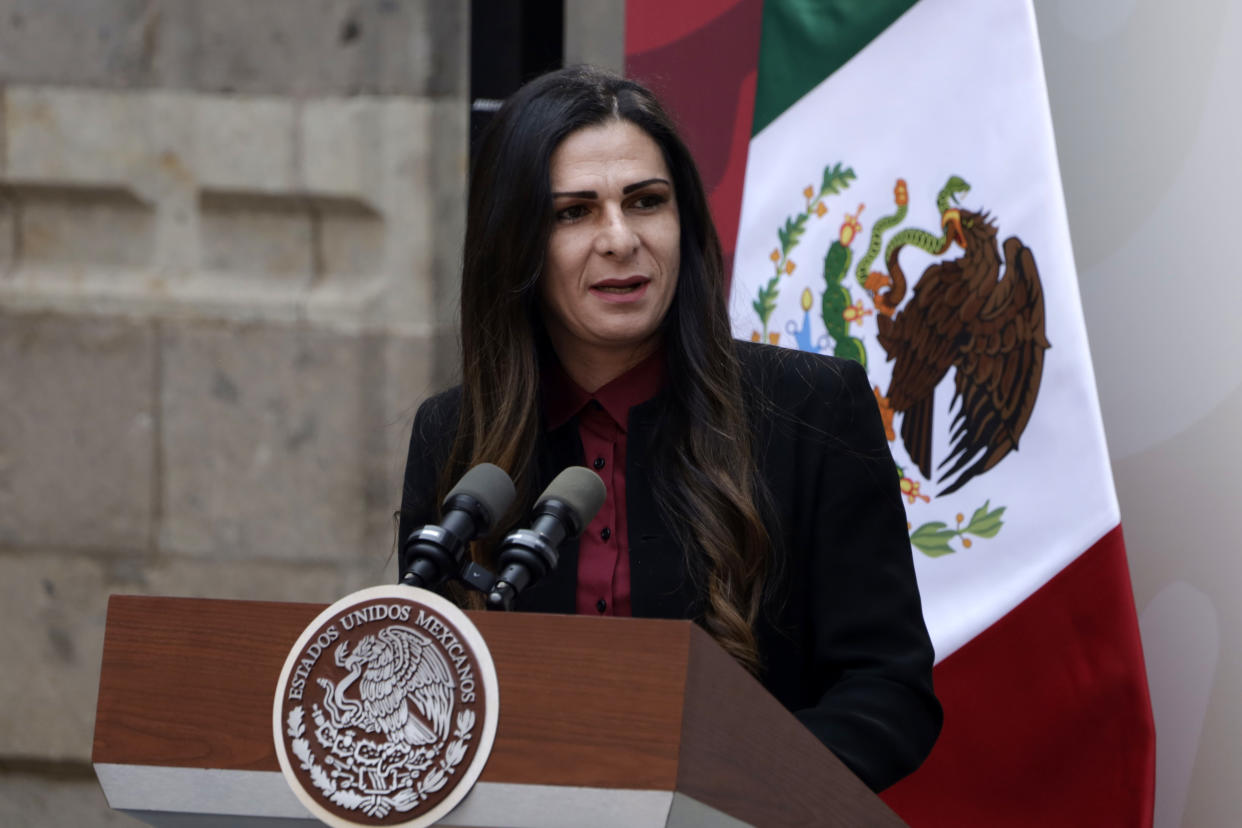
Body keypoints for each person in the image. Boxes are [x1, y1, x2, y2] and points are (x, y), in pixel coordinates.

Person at [398, 66, 941, 792]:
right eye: (573, 213)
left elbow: (887, 695)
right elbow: (426, 682)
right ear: (515, 242)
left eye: (646, 202)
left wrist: (719, 789)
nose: (620, 240)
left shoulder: (813, 407)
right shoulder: (452, 433)